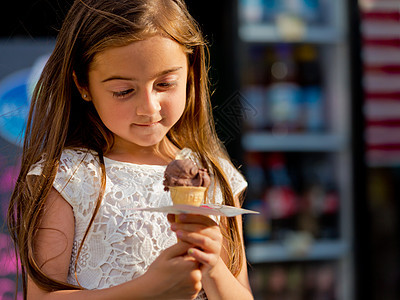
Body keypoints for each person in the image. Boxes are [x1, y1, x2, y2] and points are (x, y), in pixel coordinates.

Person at [7, 0, 253, 299]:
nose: (149, 108)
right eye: (123, 91)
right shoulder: (66, 178)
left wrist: (213, 266)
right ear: (83, 85)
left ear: (191, 72)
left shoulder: (215, 176)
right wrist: (150, 289)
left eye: (165, 84)